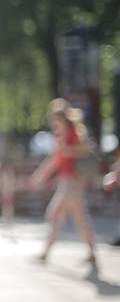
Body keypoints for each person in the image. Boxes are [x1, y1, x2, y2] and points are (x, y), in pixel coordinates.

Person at [28, 98, 97, 266]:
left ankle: (46, 253)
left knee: (56, 213)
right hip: (67, 180)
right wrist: (39, 176)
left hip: (72, 180)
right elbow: (55, 160)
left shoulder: (74, 132)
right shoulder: (62, 135)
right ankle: (90, 253)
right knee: (78, 216)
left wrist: (69, 150)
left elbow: (86, 149)